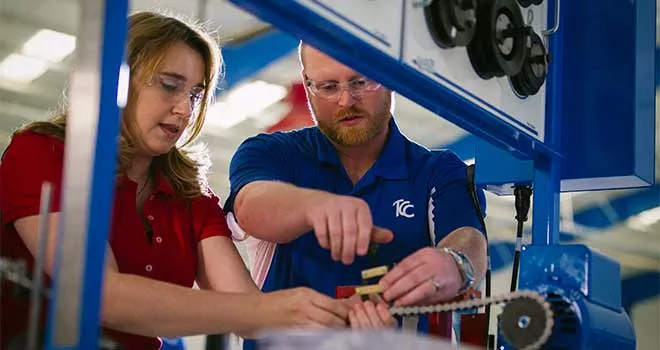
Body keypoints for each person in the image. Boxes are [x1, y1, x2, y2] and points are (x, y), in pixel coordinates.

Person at [0, 13, 389, 350]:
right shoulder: (44, 154)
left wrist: (342, 321)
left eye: (196, 94)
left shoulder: (191, 196)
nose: (185, 109)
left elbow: (250, 313)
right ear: (118, 79)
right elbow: (100, 294)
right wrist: (279, 307)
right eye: (170, 86)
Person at [225, 43, 489, 349]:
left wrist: (455, 264)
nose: (345, 99)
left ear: (392, 76)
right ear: (307, 85)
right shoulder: (272, 154)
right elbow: (250, 205)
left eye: (361, 81)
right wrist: (313, 206)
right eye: (327, 86)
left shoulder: (438, 171)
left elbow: (467, 237)